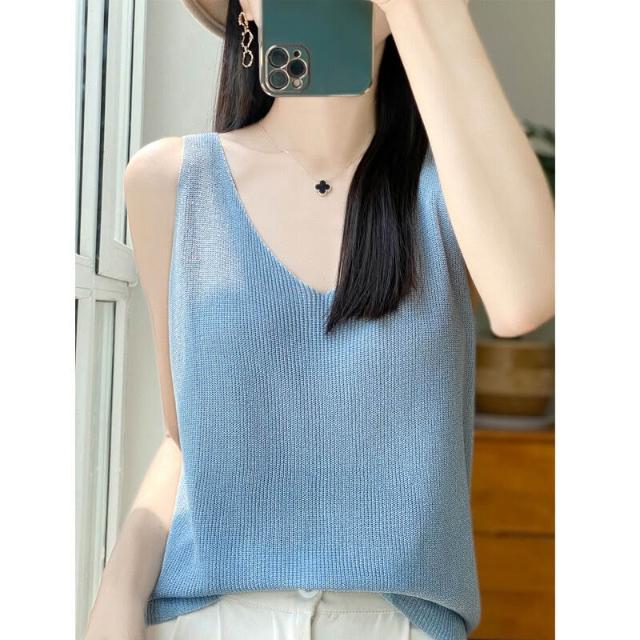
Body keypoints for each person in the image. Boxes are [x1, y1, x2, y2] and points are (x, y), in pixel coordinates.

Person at [84, 0, 555, 639]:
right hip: (210, 619)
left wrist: (424, 10)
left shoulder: (447, 194)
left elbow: (525, 298)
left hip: (397, 621)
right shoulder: (172, 181)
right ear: (243, 15)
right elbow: (185, 438)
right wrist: (117, 595)